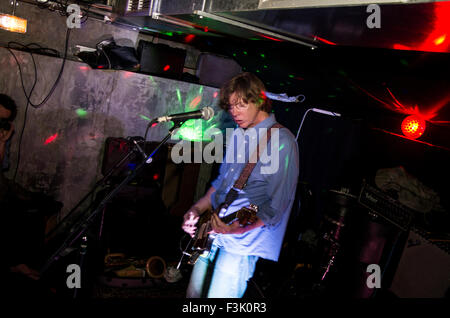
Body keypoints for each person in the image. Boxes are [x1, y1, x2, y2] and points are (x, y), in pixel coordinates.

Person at [181, 73, 299, 298]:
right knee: (193, 296)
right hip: (214, 233)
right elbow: (221, 186)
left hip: (242, 243)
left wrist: (239, 228)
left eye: (240, 105)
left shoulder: (281, 141)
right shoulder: (238, 134)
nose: (234, 112)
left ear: (258, 101)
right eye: (231, 106)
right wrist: (196, 210)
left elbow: (277, 205)